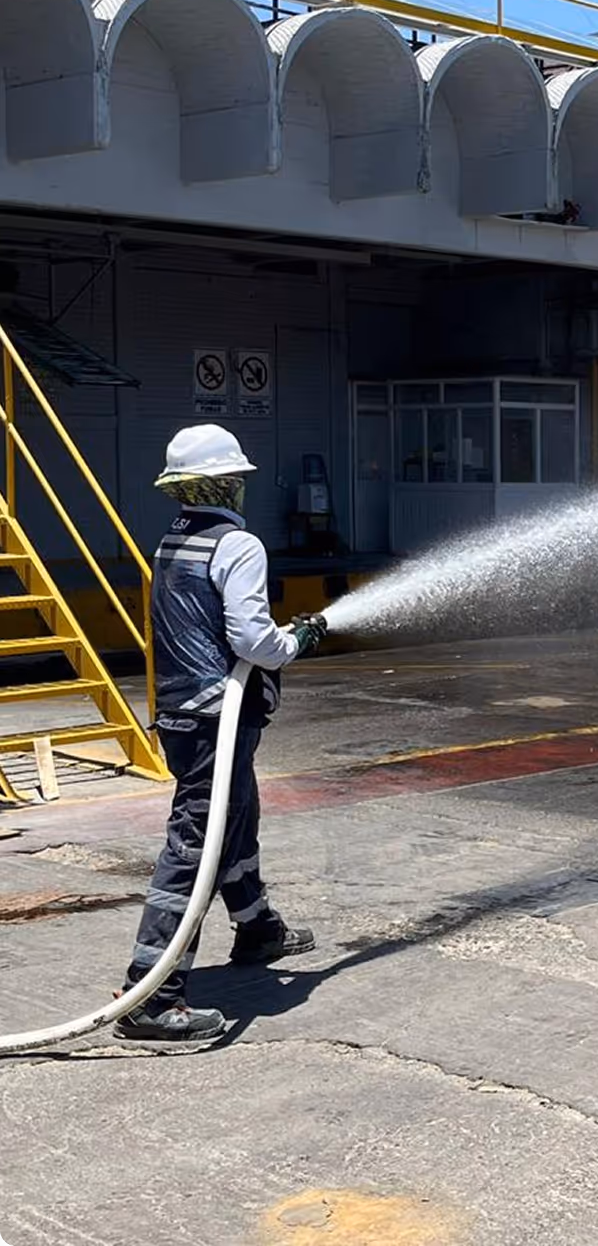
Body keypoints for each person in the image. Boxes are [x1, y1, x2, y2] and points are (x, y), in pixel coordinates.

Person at [115, 425, 327, 1043]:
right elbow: (253, 640)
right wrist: (297, 640)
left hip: (183, 715)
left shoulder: (171, 542)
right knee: (194, 847)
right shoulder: (238, 546)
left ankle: (258, 928)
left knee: (236, 822)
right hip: (217, 718)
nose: (239, 487)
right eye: (236, 478)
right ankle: (151, 993)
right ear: (227, 483)